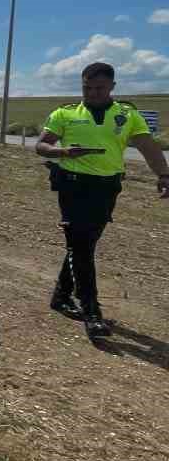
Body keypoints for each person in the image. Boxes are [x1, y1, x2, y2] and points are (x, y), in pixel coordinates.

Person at [36, 61, 169, 338]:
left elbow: (147, 147)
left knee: (83, 244)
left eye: (99, 88)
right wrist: (62, 152)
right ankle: (92, 313)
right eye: (87, 87)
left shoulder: (127, 115)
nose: (92, 93)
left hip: (107, 189)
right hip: (72, 186)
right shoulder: (65, 113)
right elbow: (41, 145)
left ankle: (60, 296)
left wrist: (164, 175)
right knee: (81, 246)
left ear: (112, 87)